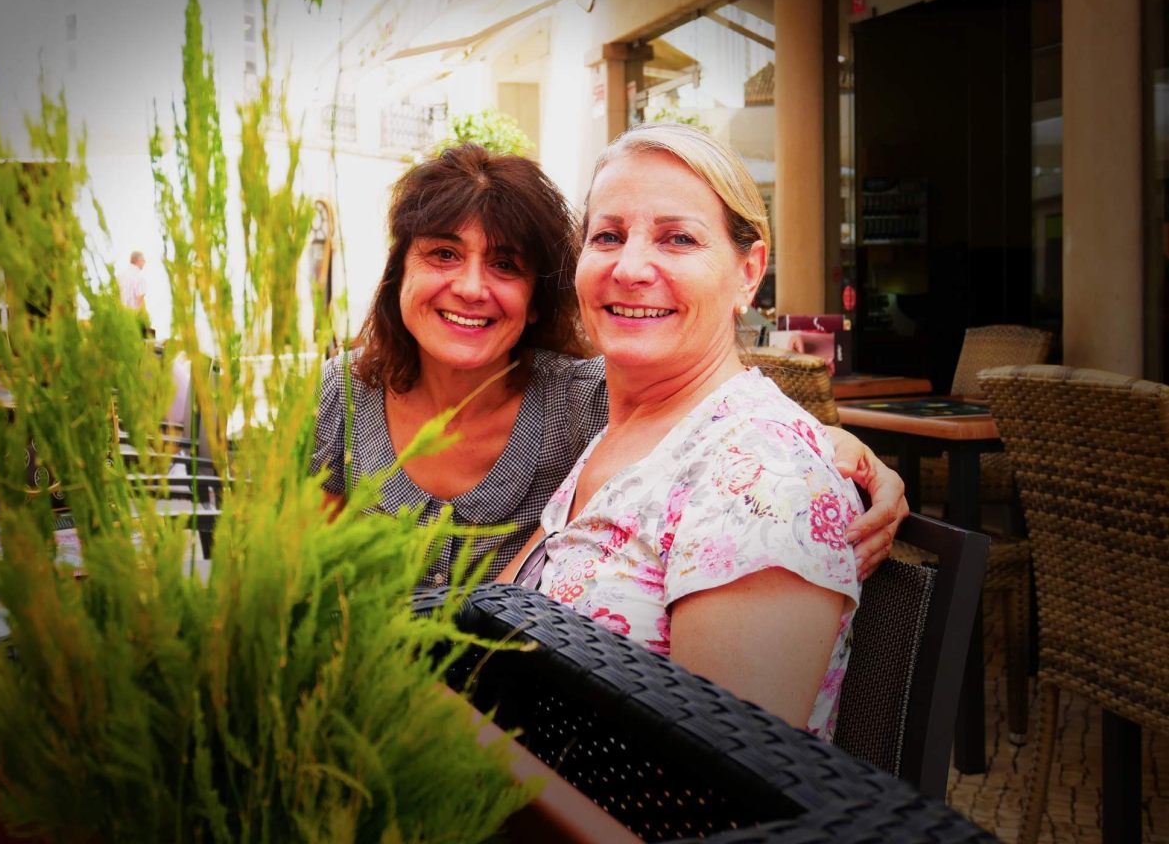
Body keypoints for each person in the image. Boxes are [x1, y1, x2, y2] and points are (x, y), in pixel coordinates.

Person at [312, 143, 905, 590]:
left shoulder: (582, 401)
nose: (470, 288)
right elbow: (300, 572)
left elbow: (719, 421)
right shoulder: (342, 396)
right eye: (442, 254)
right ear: (399, 274)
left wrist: (842, 449)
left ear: (538, 295)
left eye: (504, 265)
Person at [499, 123, 863, 738]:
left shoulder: (764, 475)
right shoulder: (622, 435)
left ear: (749, 272)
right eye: (608, 235)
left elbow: (718, 788)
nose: (631, 267)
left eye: (678, 239)